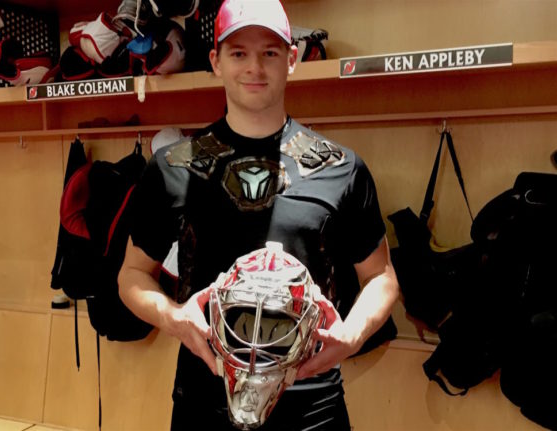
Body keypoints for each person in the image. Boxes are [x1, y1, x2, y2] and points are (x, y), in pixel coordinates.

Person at [118, 0, 399, 429]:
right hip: (203, 399)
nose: (255, 67)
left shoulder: (339, 167)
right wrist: (171, 316)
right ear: (215, 62)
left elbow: (381, 277)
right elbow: (132, 275)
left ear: (292, 59)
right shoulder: (174, 167)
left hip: (311, 405)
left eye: (269, 52)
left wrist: (352, 333)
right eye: (238, 53)